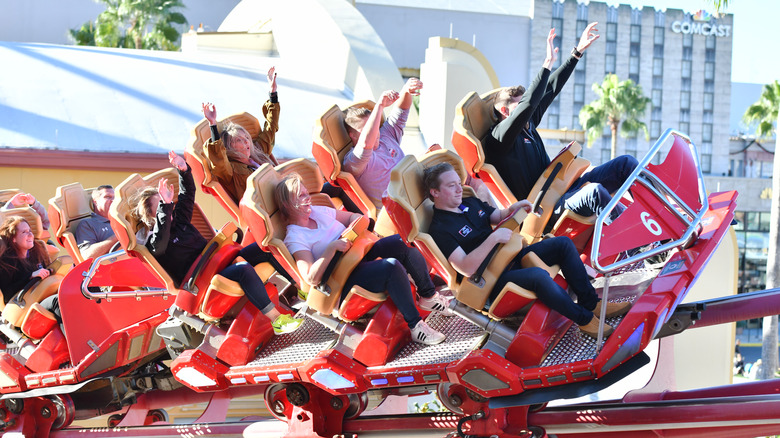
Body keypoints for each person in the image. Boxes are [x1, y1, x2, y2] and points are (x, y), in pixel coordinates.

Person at [423, 162, 630, 337]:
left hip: (510, 256)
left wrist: (513, 209)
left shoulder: (467, 201)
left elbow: (496, 215)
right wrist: (493, 238)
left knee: (563, 244)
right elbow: (466, 268)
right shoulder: (440, 229)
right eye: (452, 186)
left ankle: (591, 303)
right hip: (490, 279)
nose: (460, 189)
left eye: (459, 183)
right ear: (435, 192)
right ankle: (585, 320)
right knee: (539, 277)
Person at [483, 23, 638, 229]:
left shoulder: (528, 126)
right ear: (505, 112)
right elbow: (529, 103)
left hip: (564, 189)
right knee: (594, 192)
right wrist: (547, 63)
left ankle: (663, 217)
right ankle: (638, 243)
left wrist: (577, 53)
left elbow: (549, 91)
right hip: (545, 209)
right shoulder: (499, 138)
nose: (528, 111)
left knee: (625, 164)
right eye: (519, 106)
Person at [130, 151, 303, 335]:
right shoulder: (153, 242)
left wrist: (183, 170)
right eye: (161, 204)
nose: (168, 205)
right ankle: (277, 320)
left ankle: (303, 289)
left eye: (167, 201)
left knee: (265, 247)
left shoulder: (179, 220)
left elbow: (188, 195)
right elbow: (161, 242)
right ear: (150, 215)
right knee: (243, 269)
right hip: (203, 279)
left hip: (219, 262)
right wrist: (165, 207)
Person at [275, 173, 451, 345]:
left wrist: (353, 228)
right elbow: (310, 277)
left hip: (359, 253)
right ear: (286, 204)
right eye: (300, 196)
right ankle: (416, 327)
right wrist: (331, 248)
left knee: (403, 242)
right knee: (391, 267)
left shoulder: (317, 211)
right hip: (342, 278)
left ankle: (428, 295)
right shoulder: (295, 237)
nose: (307, 199)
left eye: (307, 193)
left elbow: (354, 218)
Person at [0, 216, 51, 305]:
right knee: (56, 302)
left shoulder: (37, 252)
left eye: (30, 231)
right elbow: (7, 296)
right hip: (24, 306)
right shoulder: (6, 263)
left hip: (43, 296)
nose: (30, 235)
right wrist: (30, 276)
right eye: (24, 232)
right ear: (13, 238)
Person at [74, 185, 118, 259]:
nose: (113, 200)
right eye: (108, 197)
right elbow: (88, 256)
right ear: (95, 201)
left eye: (114, 197)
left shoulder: (123, 221)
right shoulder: (87, 224)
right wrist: (119, 236)